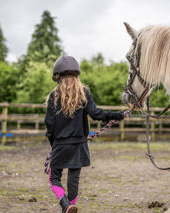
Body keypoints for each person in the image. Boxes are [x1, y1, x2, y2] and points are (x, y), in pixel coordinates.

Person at [44, 55, 124, 213]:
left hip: (60, 144)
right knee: (74, 181)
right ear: (77, 75)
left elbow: (50, 124)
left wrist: (53, 144)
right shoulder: (84, 93)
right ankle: (70, 206)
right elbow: (96, 114)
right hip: (80, 145)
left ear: (57, 76)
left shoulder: (54, 96)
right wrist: (117, 115)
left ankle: (66, 205)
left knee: (54, 179)